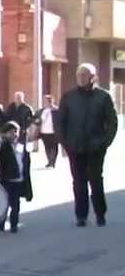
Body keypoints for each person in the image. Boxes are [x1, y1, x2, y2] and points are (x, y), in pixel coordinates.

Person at [58, 63, 118, 227]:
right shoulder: (68, 97)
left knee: (95, 180)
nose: (81, 77)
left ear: (93, 77)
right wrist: (65, 143)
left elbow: (112, 122)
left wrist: (104, 142)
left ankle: (100, 213)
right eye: (79, 75)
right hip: (75, 147)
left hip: (96, 147)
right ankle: (81, 215)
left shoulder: (103, 97)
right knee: (78, 182)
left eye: (85, 74)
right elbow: (60, 122)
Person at [0, 121, 32, 233]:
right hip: (6, 180)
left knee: (15, 204)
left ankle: (14, 225)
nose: (15, 134)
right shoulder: (3, 147)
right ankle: (1, 223)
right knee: (5, 204)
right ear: (5, 134)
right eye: (11, 132)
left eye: (16, 131)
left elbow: (25, 161)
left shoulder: (21, 146)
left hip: (18, 179)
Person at [37, 95, 60, 168]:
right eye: (44, 101)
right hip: (44, 131)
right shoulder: (41, 111)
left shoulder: (56, 109)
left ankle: (53, 161)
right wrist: (37, 121)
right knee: (47, 147)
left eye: (46, 101)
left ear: (51, 101)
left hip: (53, 131)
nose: (45, 102)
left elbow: (60, 120)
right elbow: (36, 119)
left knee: (54, 147)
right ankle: (49, 161)